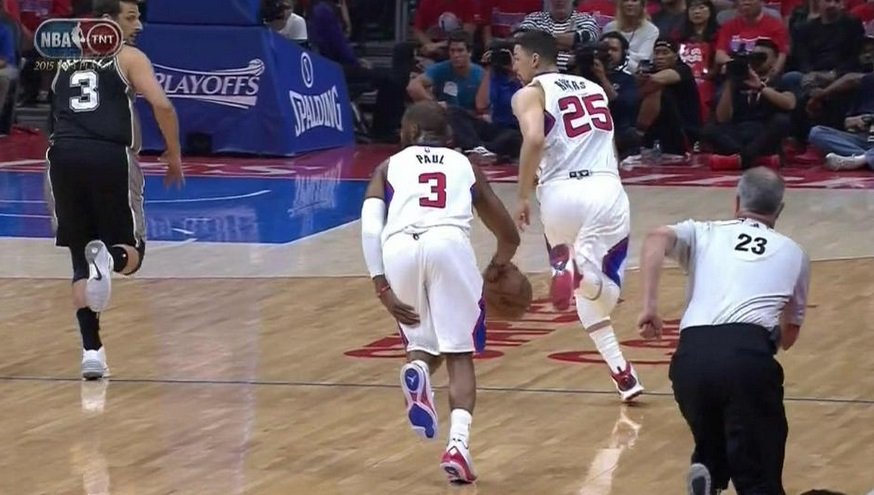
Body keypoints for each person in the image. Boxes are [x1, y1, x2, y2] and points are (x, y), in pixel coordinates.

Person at [359, 101, 520, 483]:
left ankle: (418, 370)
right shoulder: (465, 166)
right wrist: (498, 265)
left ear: (411, 131)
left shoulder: (387, 167)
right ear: (447, 135)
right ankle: (458, 447)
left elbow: (369, 228)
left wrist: (381, 284)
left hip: (399, 249)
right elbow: (508, 234)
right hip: (448, 244)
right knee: (459, 353)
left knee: (422, 343)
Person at [636, 167, 810, 495]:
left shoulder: (705, 232)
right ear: (780, 210)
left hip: (690, 360)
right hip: (746, 356)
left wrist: (650, 306)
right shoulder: (795, 253)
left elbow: (656, 237)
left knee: (713, 440)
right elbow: (789, 335)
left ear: (737, 201)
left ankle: (710, 473)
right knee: (758, 471)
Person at [45, 0, 184, 380]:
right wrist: (173, 153)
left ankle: (92, 353)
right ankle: (109, 258)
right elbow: (163, 106)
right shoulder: (129, 57)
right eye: (131, 17)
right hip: (110, 157)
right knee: (132, 254)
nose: (138, 25)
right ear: (107, 21)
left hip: (62, 157)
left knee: (80, 261)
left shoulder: (63, 59)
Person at [510, 30, 644, 402]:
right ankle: (580, 273)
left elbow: (534, 139)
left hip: (557, 195)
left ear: (534, 60)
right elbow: (609, 145)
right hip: (602, 187)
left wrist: (521, 195)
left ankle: (623, 374)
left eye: (516, 58)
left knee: (587, 293)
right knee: (606, 290)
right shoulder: (595, 89)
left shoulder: (529, 93)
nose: (513, 66)